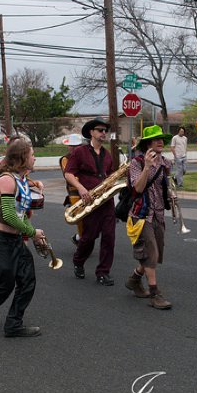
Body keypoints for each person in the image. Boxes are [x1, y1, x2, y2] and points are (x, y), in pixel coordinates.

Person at [0, 139, 44, 337]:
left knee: (27, 280)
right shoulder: (7, 180)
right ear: (22, 157)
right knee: (5, 283)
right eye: (31, 155)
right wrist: (32, 232)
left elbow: (20, 214)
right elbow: (8, 215)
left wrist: (33, 232)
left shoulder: (21, 179)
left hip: (14, 240)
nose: (34, 158)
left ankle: (13, 324)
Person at [125, 125, 174, 309]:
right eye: (156, 139)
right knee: (151, 253)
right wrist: (147, 167)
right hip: (142, 215)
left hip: (159, 214)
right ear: (147, 144)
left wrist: (170, 193)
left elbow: (164, 185)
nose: (160, 142)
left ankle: (134, 280)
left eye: (162, 139)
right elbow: (137, 188)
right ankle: (155, 295)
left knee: (153, 255)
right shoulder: (136, 163)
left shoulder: (166, 163)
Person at [63, 118, 116, 285]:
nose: (103, 133)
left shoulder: (107, 155)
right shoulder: (79, 152)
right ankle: (78, 261)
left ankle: (103, 272)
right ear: (91, 132)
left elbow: (111, 176)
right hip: (89, 200)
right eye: (100, 130)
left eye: (105, 130)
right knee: (89, 237)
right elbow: (69, 173)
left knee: (109, 237)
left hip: (106, 201)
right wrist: (80, 188)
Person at [59, 133, 84, 246]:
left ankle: (79, 238)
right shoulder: (65, 159)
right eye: (72, 146)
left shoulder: (85, 157)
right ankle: (82, 239)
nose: (74, 148)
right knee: (80, 218)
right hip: (74, 192)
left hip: (88, 190)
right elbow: (69, 175)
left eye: (77, 146)